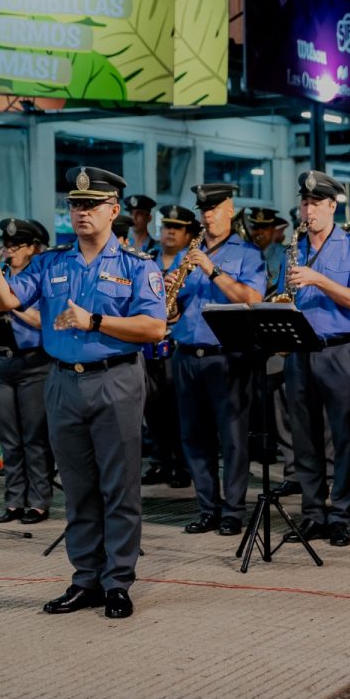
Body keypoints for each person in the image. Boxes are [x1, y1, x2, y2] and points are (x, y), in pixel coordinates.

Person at [0, 166, 166, 619]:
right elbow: (5, 302)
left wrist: (95, 321)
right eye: (75, 205)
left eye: (91, 204)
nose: (81, 212)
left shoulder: (138, 265)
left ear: (114, 210)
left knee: (119, 487)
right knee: (78, 489)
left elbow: (155, 327)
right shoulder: (51, 262)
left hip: (115, 379)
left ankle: (117, 582)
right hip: (62, 381)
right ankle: (85, 580)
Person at [280, 170, 350, 548]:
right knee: (303, 437)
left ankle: (340, 514)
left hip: (337, 349)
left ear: (332, 206)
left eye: (315, 203)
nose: (308, 210)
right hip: (299, 349)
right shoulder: (295, 244)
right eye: (304, 203)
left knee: (343, 436)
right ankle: (313, 512)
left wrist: (318, 279)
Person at [169, 183, 266, 536]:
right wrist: (170, 293)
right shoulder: (187, 253)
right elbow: (177, 309)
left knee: (233, 439)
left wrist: (211, 270)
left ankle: (233, 511)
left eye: (214, 208)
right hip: (185, 354)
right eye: (203, 209)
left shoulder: (247, 254)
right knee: (194, 439)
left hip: (226, 356)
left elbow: (252, 298)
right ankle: (207, 507)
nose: (207, 215)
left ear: (230, 208)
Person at [0, 218, 55, 525]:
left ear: (34, 249)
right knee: (8, 438)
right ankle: (14, 499)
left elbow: (42, 321)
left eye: (17, 246)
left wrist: (8, 303)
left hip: (33, 362)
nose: (9, 251)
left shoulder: (42, 277)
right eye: (7, 245)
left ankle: (39, 501)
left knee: (34, 437)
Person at [141, 205, 197, 488]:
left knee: (178, 410)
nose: (170, 232)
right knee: (153, 409)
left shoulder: (190, 264)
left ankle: (182, 464)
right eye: (166, 227)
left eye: (177, 228)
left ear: (188, 233)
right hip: (150, 347)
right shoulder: (147, 261)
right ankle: (160, 461)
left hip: (176, 345)